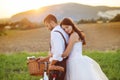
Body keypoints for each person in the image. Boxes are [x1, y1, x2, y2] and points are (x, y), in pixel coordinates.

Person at [43, 14, 69, 80]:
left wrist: (51, 65)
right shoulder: (62, 30)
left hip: (57, 65)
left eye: (47, 25)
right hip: (63, 63)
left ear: (52, 22)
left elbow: (58, 52)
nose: (47, 28)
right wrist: (45, 58)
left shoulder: (55, 32)